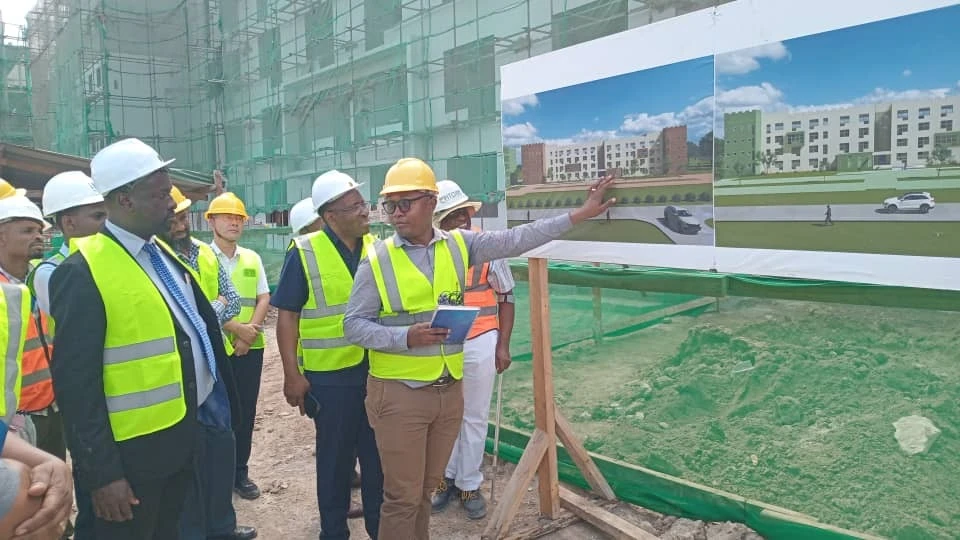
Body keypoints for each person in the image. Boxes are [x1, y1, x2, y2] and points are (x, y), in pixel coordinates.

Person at [343, 157, 615, 540]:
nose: (397, 213)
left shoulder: (458, 246)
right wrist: (405, 337)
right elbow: (352, 326)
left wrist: (579, 214)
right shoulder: (378, 260)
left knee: (423, 491)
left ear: (432, 202)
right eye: (391, 204)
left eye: (407, 202)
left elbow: (518, 239)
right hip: (400, 396)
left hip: (446, 391)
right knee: (402, 498)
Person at [48, 137, 241, 539]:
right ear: (125, 201)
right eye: (160, 195)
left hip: (179, 441)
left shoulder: (161, 253)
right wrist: (102, 476)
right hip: (130, 463)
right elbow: (75, 388)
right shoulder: (83, 273)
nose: (172, 204)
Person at [273, 170, 383, 539]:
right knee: (335, 462)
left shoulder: (377, 248)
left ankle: (378, 528)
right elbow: (287, 315)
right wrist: (292, 375)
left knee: (377, 460)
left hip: (377, 372)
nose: (365, 212)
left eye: (363, 204)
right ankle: (333, 532)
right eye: (355, 207)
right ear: (330, 217)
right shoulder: (304, 252)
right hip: (330, 379)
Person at [157, 186, 256, 540]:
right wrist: (203, 314)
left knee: (219, 449)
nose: (183, 225)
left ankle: (222, 526)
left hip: (213, 367)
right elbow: (171, 321)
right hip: (177, 377)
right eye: (176, 219)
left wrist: (199, 315)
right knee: (187, 463)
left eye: (185, 217)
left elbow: (230, 303)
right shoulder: (155, 262)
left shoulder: (203, 254)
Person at [429, 180, 515, 520]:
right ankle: (443, 479)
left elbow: (507, 298)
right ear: (438, 220)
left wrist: (503, 345)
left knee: (474, 414)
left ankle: (468, 483)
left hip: (481, 340)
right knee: (444, 414)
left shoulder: (488, 247)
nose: (461, 220)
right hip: (442, 344)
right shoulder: (428, 252)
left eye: (463, 213)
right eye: (452, 216)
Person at [27, 170, 106, 540]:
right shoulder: (50, 272)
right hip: (74, 390)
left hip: (102, 386)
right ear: (68, 221)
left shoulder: (102, 260)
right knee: (93, 484)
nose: (105, 223)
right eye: (97, 216)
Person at [204, 192, 271, 502]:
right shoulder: (203, 258)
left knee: (245, 411)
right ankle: (216, 475)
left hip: (250, 347)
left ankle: (240, 472)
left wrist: (248, 335)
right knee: (218, 414)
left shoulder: (251, 258)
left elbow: (263, 298)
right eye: (227, 216)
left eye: (239, 218)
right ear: (211, 221)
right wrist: (237, 330)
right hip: (216, 348)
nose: (233, 222)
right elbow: (202, 305)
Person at [0, 196, 60, 458]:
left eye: (39, 230)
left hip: (51, 408)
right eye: (27, 230)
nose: (38, 236)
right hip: (14, 419)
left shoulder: (41, 278)